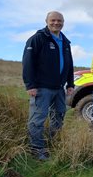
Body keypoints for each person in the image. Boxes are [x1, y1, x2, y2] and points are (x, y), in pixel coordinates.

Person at [22, 11, 74, 160]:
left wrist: (70, 83)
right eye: (53, 20)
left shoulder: (65, 42)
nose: (56, 23)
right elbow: (27, 63)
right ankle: (36, 149)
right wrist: (30, 85)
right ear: (46, 21)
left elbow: (69, 64)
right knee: (38, 119)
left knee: (59, 116)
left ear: (63, 22)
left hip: (59, 88)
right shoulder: (37, 39)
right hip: (41, 87)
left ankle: (52, 143)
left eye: (59, 21)